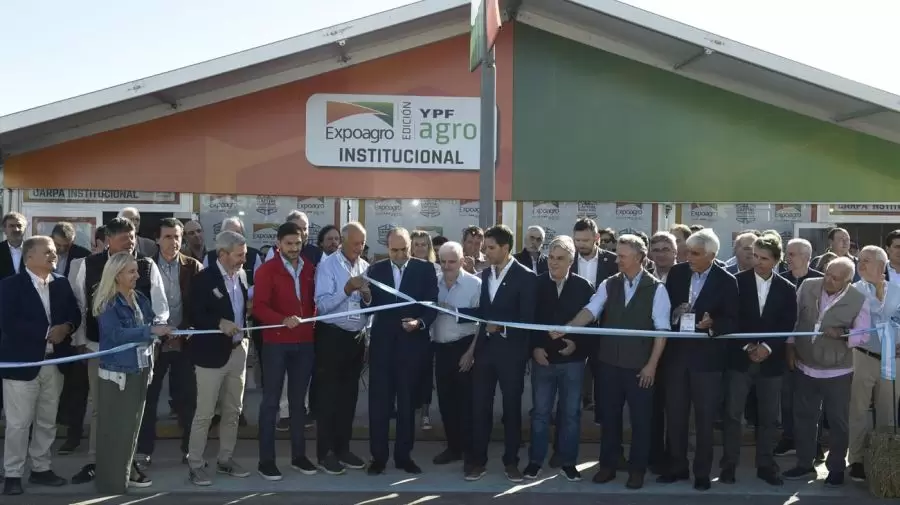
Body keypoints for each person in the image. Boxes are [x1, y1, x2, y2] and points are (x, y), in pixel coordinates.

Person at [561, 234, 669, 489]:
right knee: (609, 418)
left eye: (622, 256)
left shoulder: (657, 289)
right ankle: (608, 465)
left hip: (639, 367)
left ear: (639, 257)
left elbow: (662, 332)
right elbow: (590, 310)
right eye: (618, 255)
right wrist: (565, 328)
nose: (617, 259)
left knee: (641, 421)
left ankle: (637, 469)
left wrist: (651, 365)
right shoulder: (609, 284)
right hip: (609, 364)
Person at [0, 236, 81, 496]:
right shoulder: (10, 286)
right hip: (22, 365)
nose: (53, 256)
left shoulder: (61, 284)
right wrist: (47, 332)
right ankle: (13, 473)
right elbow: (8, 323)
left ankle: (41, 469)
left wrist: (67, 328)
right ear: (29, 257)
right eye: (47, 252)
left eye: (54, 252)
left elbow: (75, 313)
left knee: (47, 421)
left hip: (54, 363)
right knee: (18, 423)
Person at [660, 228, 739, 491]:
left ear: (712, 255)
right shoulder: (677, 273)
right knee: (676, 416)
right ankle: (676, 467)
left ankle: (702, 472)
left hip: (707, 360)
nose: (689, 257)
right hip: (677, 357)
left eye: (695, 253)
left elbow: (732, 320)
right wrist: (675, 313)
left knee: (705, 420)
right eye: (687, 252)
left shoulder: (727, 280)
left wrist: (712, 323)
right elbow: (664, 309)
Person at [782, 257, 868, 487]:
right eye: (828, 273)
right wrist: (790, 346)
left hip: (838, 371)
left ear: (848, 281)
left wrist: (842, 332)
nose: (828, 279)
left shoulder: (859, 299)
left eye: (835, 278)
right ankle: (804, 464)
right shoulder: (808, 286)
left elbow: (863, 334)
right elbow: (795, 319)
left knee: (838, 422)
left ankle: (837, 469)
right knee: (804, 418)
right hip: (805, 366)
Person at [93, 251, 174, 493]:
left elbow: (151, 325)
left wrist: (166, 331)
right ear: (116, 275)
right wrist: (150, 332)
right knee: (116, 429)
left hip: (140, 369)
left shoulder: (139, 298)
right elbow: (115, 335)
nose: (137, 275)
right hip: (118, 374)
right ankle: (112, 481)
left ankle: (126, 471)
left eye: (137, 270)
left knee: (131, 428)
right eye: (131, 271)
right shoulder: (107, 301)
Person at [719, 234, 796, 487]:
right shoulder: (736, 282)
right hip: (739, 359)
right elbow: (731, 318)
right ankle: (729, 464)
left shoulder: (787, 288)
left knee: (769, 417)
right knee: (733, 414)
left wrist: (766, 348)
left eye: (764, 258)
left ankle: (765, 464)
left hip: (771, 363)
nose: (758, 262)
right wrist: (748, 345)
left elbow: (787, 323)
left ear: (776, 260)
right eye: (755, 256)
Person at [464, 225, 537, 482]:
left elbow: (528, 320)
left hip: (512, 356)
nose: (485, 251)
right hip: (485, 354)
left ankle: (511, 462)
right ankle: (477, 461)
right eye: (485, 247)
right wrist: (454, 310)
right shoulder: (484, 276)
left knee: (512, 409)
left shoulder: (526, 277)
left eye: (490, 248)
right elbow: (484, 313)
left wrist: (503, 327)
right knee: (479, 407)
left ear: (506, 248)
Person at [364, 227, 439, 475]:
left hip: (411, 348)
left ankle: (404, 456)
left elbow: (432, 306)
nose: (399, 255)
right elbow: (370, 306)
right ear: (387, 248)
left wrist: (420, 324)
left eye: (403, 249)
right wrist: (365, 296)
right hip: (382, 349)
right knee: (379, 406)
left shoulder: (425, 269)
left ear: (411, 246)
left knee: (407, 405)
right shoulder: (376, 269)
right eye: (394, 250)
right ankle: (378, 457)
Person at [252, 222, 319, 480]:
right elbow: (259, 307)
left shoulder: (310, 269)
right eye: (289, 243)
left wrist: (312, 320)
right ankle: (265, 460)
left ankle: (299, 456)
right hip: (276, 343)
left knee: (298, 403)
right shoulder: (267, 270)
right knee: (270, 402)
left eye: (297, 243)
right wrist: (282, 319)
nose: (293, 248)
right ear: (278, 244)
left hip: (304, 343)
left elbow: (314, 304)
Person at [525, 235, 594, 482]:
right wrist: (534, 348)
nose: (553, 263)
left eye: (560, 259)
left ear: (571, 261)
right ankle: (535, 461)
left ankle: (568, 463)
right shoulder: (535, 284)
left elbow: (593, 324)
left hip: (573, 363)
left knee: (571, 415)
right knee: (541, 413)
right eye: (551, 258)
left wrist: (577, 345)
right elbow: (527, 321)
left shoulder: (584, 286)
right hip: (542, 360)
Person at [186, 231, 252, 486]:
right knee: (204, 414)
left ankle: (225, 460)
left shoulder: (242, 276)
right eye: (239, 255)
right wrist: (218, 322)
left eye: (244, 255)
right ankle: (195, 464)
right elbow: (194, 314)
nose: (243, 260)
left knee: (233, 411)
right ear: (222, 254)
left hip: (238, 352)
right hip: (210, 356)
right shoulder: (203, 279)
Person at [135, 218, 202, 467]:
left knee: (188, 398)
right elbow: (139, 304)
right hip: (154, 343)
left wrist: (183, 331)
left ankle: (189, 449)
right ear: (156, 239)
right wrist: (159, 331)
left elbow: (199, 307)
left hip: (184, 343)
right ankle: (144, 449)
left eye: (177, 237)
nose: (173, 242)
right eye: (167, 237)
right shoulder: (143, 267)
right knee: (149, 398)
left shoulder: (194, 267)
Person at [313, 222, 370, 474]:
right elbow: (322, 306)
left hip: (356, 338)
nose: (360, 248)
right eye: (355, 243)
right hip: (331, 338)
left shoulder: (365, 266)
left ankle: (343, 448)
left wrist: (367, 296)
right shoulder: (327, 265)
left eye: (362, 243)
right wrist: (347, 289)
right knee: (328, 398)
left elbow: (369, 307)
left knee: (349, 397)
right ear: (343, 242)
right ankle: (325, 453)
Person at [430, 241, 480, 466]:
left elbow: (482, 320)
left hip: (465, 348)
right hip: (441, 349)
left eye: (452, 261)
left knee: (467, 403)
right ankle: (453, 448)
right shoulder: (433, 283)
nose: (447, 266)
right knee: (446, 402)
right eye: (443, 261)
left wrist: (471, 352)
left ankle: (470, 450)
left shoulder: (475, 284)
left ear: (462, 261)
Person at [410, 230, 439, 430]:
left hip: (431, 329)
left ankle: (426, 413)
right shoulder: (405, 268)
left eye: (424, 244)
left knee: (427, 373)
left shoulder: (437, 269)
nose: (420, 248)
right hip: (408, 328)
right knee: (410, 373)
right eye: (416, 244)